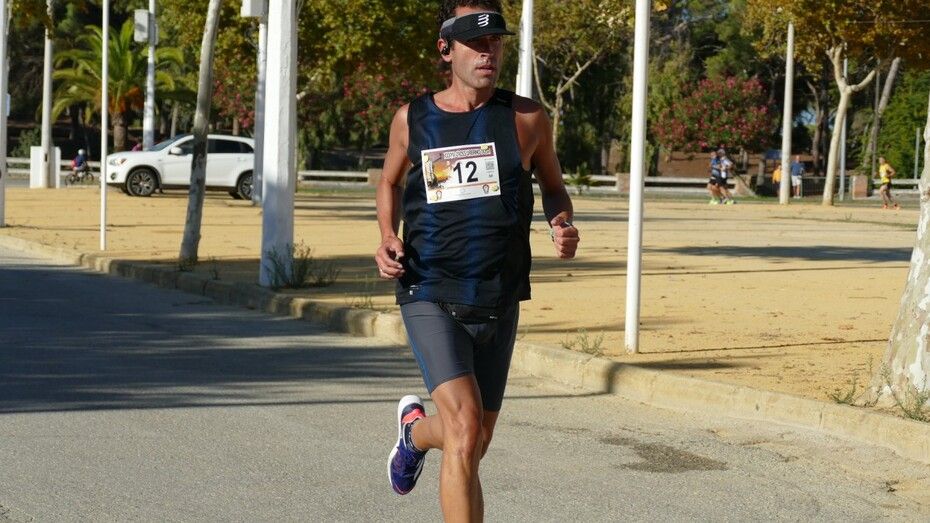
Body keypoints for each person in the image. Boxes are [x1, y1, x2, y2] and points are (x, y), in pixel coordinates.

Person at [374, 1, 579, 519]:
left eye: (495, 42)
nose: (488, 52)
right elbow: (390, 182)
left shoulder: (527, 119)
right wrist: (387, 236)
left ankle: (415, 435)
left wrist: (560, 222)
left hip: (498, 293)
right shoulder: (412, 119)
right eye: (475, 42)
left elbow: (554, 187)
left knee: (472, 442)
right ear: (446, 49)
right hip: (429, 287)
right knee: (465, 430)